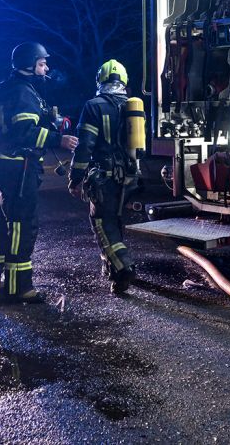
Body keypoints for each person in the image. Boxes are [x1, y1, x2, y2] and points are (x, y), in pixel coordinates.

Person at [0, 42, 78, 304]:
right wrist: (59, 139)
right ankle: (18, 287)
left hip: (1, 164)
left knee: (1, 223)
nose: (46, 68)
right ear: (29, 65)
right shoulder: (22, 92)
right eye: (42, 64)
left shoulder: (8, 87)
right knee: (22, 224)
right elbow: (23, 132)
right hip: (17, 167)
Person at [69, 59, 139, 295]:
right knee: (115, 220)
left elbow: (85, 146)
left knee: (101, 222)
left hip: (104, 178)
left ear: (100, 80)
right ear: (124, 80)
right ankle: (114, 273)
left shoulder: (93, 106)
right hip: (129, 177)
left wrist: (75, 178)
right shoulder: (132, 106)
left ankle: (123, 266)